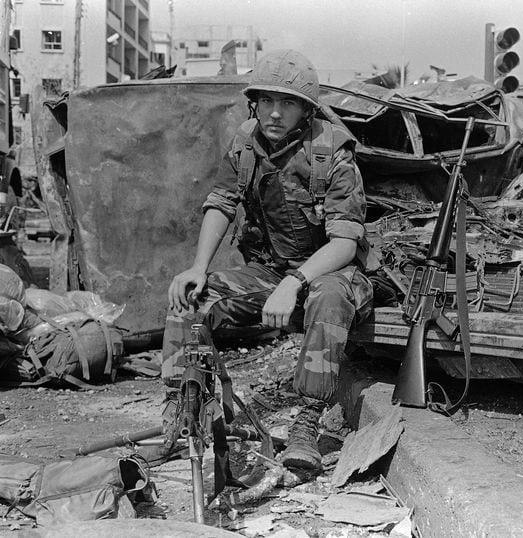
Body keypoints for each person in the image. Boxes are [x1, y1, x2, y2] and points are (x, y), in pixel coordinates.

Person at [156, 49, 373, 470]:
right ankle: (183, 412)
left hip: (334, 272)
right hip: (272, 271)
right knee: (190, 299)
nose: (275, 113)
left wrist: (295, 283)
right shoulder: (246, 140)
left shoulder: (332, 152)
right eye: (267, 101)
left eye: (288, 103)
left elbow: (346, 244)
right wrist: (198, 267)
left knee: (327, 295)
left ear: (306, 111)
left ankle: (307, 426)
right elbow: (222, 201)